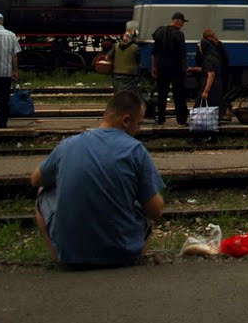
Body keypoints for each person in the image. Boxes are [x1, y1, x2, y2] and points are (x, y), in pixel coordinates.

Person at [30, 90, 164, 267]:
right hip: (122, 253)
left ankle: (59, 255)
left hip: (72, 255)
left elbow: (35, 179)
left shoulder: (68, 145)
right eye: (138, 124)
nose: (139, 130)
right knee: (147, 199)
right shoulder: (135, 150)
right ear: (126, 121)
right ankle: (135, 254)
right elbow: (156, 211)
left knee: (43, 191)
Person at [151, 12, 188, 125]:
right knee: (178, 94)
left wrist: (154, 67)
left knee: (162, 94)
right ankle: (181, 119)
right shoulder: (179, 34)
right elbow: (182, 53)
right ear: (178, 21)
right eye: (182, 22)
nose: (182, 25)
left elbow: (154, 52)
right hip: (175, 68)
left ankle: (160, 119)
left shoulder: (159, 31)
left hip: (161, 67)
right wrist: (185, 67)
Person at [108, 23, 140, 95]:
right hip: (130, 75)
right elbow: (138, 61)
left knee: (118, 93)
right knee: (129, 94)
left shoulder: (115, 46)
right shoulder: (135, 48)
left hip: (116, 74)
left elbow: (108, 57)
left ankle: (117, 105)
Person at [197, 28, 226, 110]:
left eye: (200, 47)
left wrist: (206, 91)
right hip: (217, 84)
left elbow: (211, 74)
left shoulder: (208, 58)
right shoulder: (215, 55)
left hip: (210, 85)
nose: (199, 49)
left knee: (202, 105)